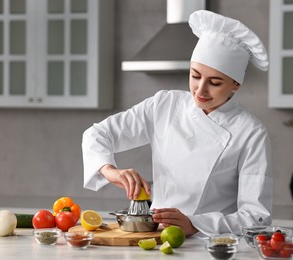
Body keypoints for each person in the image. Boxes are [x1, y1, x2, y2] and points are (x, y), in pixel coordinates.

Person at [82, 10, 273, 237]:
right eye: (195, 75)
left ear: (235, 85)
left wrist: (194, 224)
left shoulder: (251, 133)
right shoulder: (165, 104)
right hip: (156, 236)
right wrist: (109, 170)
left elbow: (255, 216)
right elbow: (98, 134)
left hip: (212, 243)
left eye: (214, 82)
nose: (200, 90)